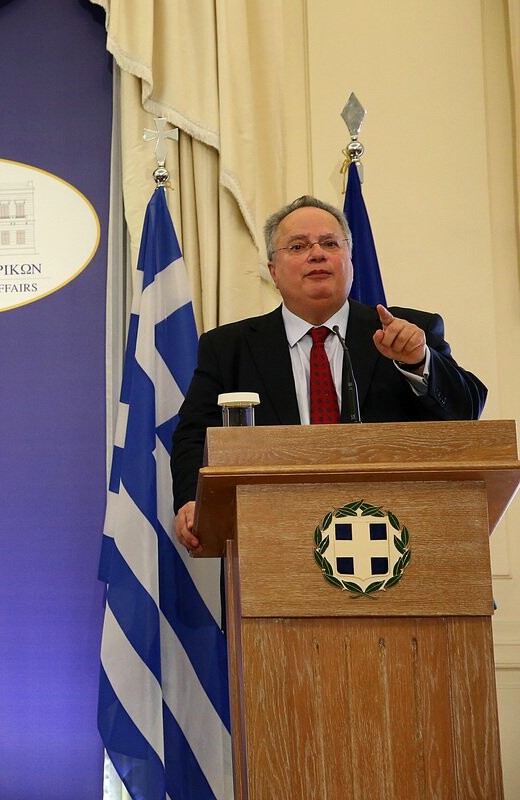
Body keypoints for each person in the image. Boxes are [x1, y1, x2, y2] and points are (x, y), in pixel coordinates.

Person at [170, 195, 486, 553]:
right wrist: (193, 499)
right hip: (272, 540)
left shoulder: (406, 333)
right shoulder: (229, 347)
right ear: (273, 271)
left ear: (350, 260)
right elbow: (194, 435)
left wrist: (418, 361)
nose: (317, 254)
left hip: (395, 538)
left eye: (330, 243)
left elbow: (466, 416)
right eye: (298, 246)